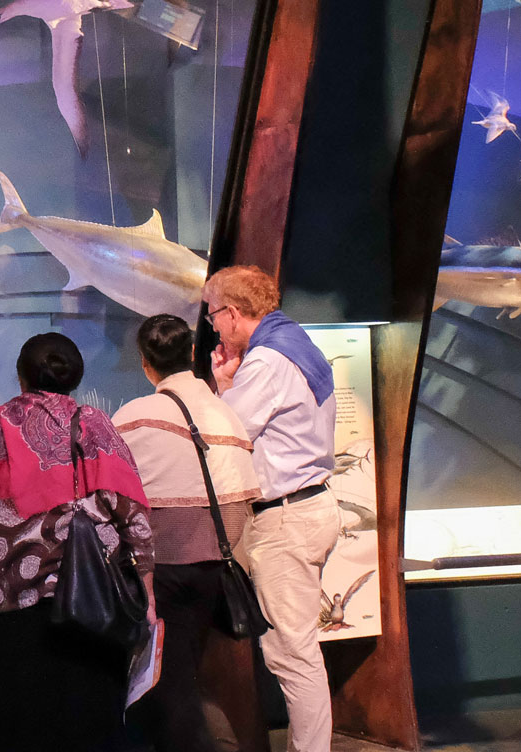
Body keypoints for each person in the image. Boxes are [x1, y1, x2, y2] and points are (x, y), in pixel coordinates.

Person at [0, 332, 154, 752]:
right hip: (96, 610)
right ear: (74, 377)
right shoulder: (95, 425)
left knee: (20, 731)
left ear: (20, 377)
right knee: (94, 729)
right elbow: (134, 517)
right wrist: (146, 595)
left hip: (10, 615)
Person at [205, 265, 341, 752]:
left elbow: (229, 434)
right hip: (307, 508)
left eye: (213, 315)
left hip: (287, 517)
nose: (213, 326)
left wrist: (222, 387)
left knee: (292, 654)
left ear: (235, 314)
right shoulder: (292, 339)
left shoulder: (267, 361)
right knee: (295, 649)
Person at [113, 315, 261, 752]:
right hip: (223, 565)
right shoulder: (225, 412)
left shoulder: (135, 415)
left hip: (168, 568)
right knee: (188, 674)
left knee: (169, 684)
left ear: (145, 364)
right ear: (191, 353)